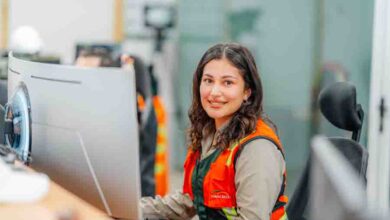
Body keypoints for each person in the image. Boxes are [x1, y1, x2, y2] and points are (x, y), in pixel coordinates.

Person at [141, 43, 288, 220]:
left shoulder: (257, 149)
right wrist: (131, 209)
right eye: (208, 81)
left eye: (228, 83)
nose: (214, 92)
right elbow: (190, 201)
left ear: (247, 92)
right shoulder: (208, 133)